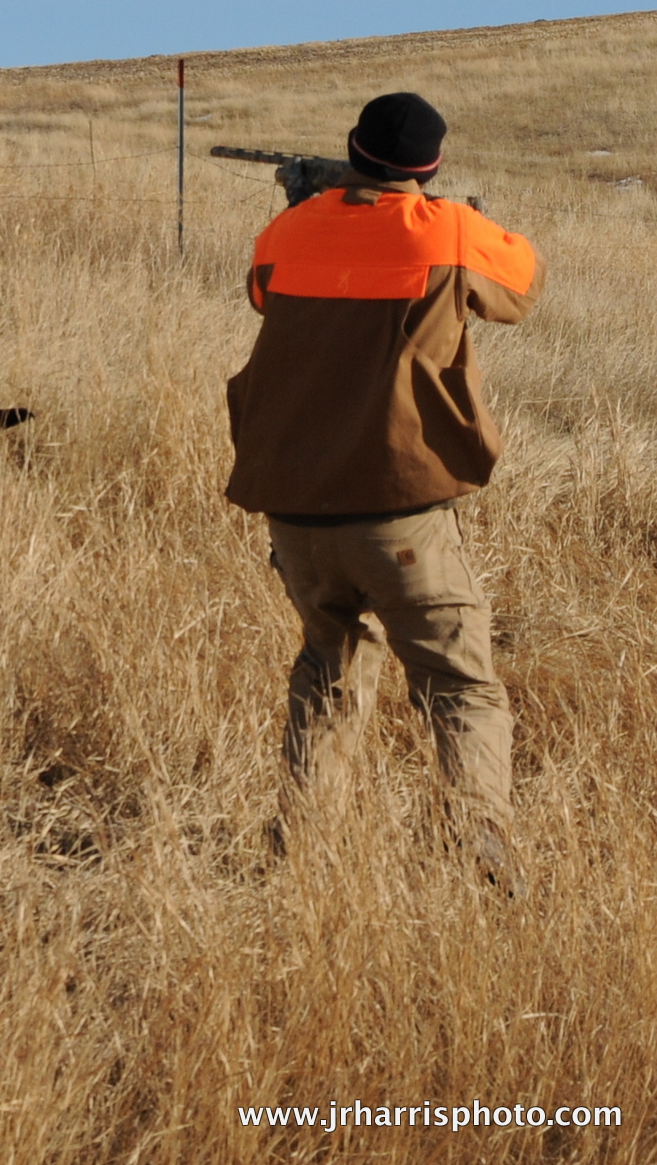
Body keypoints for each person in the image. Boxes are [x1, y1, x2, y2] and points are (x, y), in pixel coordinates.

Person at [225, 92, 545, 885]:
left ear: (352, 148)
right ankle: (477, 841)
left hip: (296, 507)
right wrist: (446, 215)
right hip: (399, 509)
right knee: (459, 686)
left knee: (328, 669)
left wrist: (322, 205)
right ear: (430, 169)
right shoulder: (451, 234)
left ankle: (299, 856)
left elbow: (262, 292)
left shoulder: (289, 231)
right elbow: (525, 283)